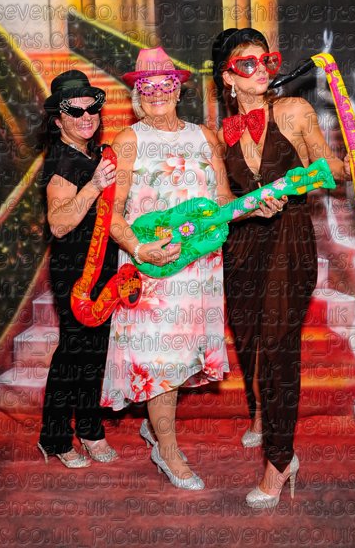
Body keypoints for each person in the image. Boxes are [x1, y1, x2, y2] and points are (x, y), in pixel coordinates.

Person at [100, 47, 283, 490]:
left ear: (179, 90)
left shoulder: (204, 137)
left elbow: (221, 203)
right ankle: (167, 450)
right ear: (136, 94)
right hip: (151, 270)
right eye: (147, 87)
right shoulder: (127, 142)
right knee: (160, 360)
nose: (157, 94)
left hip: (197, 267)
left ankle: (155, 429)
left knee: (180, 357)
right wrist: (139, 248)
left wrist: (254, 207)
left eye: (165, 85)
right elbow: (112, 214)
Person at [211, 28, 351, 507]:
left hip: (288, 239)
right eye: (246, 63)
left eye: (266, 60)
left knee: (277, 345)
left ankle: (280, 459)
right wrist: (247, 208)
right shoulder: (220, 134)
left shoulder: (293, 111)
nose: (261, 70)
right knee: (249, 337)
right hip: (242, 244)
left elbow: (330, 168)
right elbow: (223, 202)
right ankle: (261, 414)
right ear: (227, 77)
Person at [37, 70, 118, 468]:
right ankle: (54, 437)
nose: (87, 117)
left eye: (92, 109)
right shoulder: (62, 161)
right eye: (76, 112)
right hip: (75, 274)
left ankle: (89, 428)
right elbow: (58, 223)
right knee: (73, 355)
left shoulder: (92, 155)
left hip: (102, 267)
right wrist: (94, 186)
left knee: (95, 353)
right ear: (59, 120)